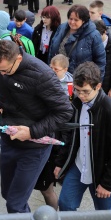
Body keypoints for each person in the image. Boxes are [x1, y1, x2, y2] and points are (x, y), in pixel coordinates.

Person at [0, 40, 73, 220]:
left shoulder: (42, 74)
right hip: (8, 140)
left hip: (35, 147)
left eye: (5, 71)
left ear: (18, 58)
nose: (1, 74)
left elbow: (65, 112)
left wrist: (32, 131)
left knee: (15, 203)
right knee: (8, 196)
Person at [56, 62, 111, 220]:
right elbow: (70, 137)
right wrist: (60, 162)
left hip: (102, 173)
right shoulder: (77, 103)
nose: (81, 95)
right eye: (78, 91)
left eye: (85, 91)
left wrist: (107, 184)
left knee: (104, 217)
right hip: (78, 167)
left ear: (98, 86)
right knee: (65, 205)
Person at [32, 54, 72, 211]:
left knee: (47, 188)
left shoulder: (70, 86)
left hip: (57, 136)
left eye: (56, 69)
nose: (52, 71)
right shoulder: (45, 80)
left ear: (65, 70)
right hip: (47, 131)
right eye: (50, 67)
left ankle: (53, 218)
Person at [49, 5, 106, 79]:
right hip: (56, 75)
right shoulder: (62, 28)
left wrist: (97, 81)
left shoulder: (93, 35)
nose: (72, 22)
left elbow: (100, 61)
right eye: (70, 19)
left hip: (79, 80)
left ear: (84, 21)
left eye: (76, 20)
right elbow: (52, 49)